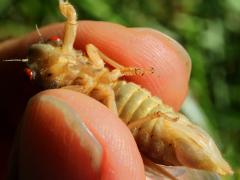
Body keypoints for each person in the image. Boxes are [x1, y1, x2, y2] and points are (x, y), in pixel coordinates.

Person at [0, 21, 191, 179]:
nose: (53, 54)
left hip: (133, 100)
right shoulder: (66, 93)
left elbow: (74, 21)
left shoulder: (81, 57)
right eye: (32, 73)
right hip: (131, 122)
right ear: (45, 78)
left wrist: (123, 71)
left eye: (54, 41)